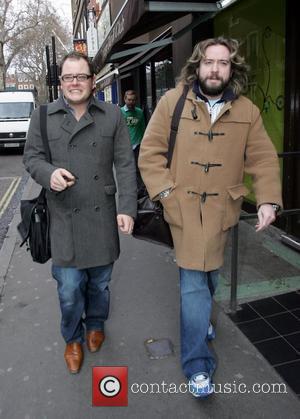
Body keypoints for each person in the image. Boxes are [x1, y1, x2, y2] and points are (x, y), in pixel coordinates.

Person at [138, 37, 282, 397]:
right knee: (193, 286)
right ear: (196, 67)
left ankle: (201, 323)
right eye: (208, 62)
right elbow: (150, 154)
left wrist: (267, 200)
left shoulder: (247, 111)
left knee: (210, 278)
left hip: (222, 210)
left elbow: (263, 159)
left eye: (222, 63)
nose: (214, 69)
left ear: (232, 69)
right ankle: (197, 364)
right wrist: (167, 195)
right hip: (182, 210)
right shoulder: (173, 102)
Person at [23, 51, 137, 374]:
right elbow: (31, 159)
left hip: (101, 219)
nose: (75, 83)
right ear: (60, 83)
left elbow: (125, 165)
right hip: (63, 219)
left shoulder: (112, 115)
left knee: (99, 284)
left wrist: (128, 207)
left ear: (93, 81)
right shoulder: (42, 116)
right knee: (70, 289)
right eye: (68, 77)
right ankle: (72, 337)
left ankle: (96, 323)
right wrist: (49, 174)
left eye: (81, 76)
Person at [121, 90, 146, 195]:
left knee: (138, 169)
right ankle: (127, 190)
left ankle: (140, 191)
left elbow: (143, 128)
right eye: (129, 100)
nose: (131, 102)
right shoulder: (120, 112)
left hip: (138, 146)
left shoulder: (139, 112)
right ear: (125, 99)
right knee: (126, 169)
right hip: (125, 146)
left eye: (133, 100)